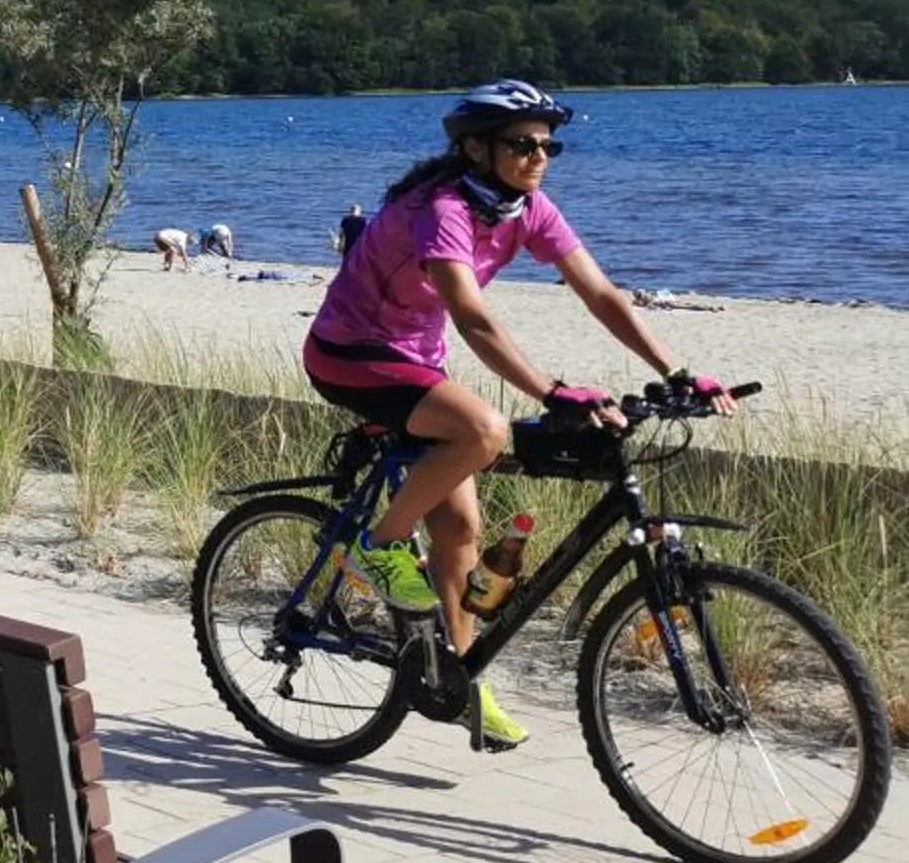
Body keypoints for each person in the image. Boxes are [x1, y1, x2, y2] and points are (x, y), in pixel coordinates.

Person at [307, 80, 732, 755]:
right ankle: (379, 547)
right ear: (475, 147)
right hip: (349, 355)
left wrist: (674, 371)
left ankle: (459, 678)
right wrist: (551, 391)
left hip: (416, 362)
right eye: (523, 145)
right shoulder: (441, 208)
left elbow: (598, 291)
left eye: (548, 145)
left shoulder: (525, 208)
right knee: (483, 430)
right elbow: (473, 318)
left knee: (463, 528)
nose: (539, 157)